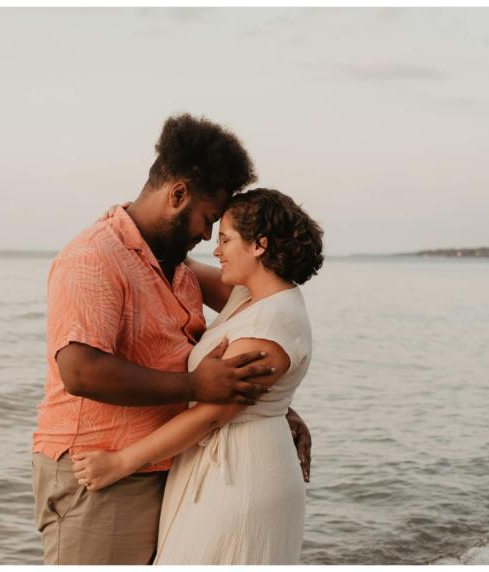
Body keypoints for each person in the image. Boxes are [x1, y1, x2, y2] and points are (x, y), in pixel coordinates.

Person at [31, 113, 312, 565]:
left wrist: (273, 406)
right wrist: (196, 388)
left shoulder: (176, 266)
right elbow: (80, 371)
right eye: (207, 220)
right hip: (100, 469)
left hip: (163, 461)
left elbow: (262, 315)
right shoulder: (93, 257)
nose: (207, 236)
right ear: (177, 194)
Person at [71, 188, 324, 564]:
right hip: (223, 465)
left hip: (240, 476)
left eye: (225, 239)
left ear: (259, 246)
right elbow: (178, 259)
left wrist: (121, 463)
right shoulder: (250, 297)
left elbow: (212, 413)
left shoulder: (271, 321)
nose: (216, 249)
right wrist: (128, 219)